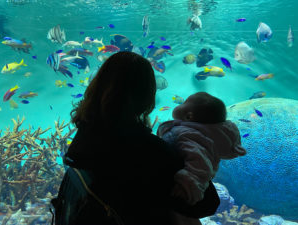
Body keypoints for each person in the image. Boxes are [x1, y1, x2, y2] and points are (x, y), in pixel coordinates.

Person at [51, 52, 220, 225]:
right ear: (146, 95)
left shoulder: (85, 136)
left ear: (98, 86)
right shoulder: (150, 151)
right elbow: (206, 205)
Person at [157, 92, 247, 224]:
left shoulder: (187, 135)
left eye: (183, 103)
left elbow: (200, 164)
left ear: (189, 116)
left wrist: (188, 185)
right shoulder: (196, 133)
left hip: (182, 190)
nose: (180, 103)